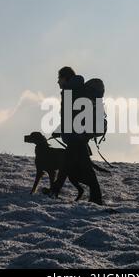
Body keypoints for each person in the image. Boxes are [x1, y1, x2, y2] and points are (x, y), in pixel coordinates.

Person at [49, 67, 103, 205]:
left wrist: (66, 130)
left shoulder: (71, 91)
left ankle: (96, 197)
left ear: (65, 78)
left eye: (59, 78)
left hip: (77, 137)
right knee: (68, 165)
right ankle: (54, 190)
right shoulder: (77, 90)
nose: (57, 81)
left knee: (81, 168)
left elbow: (70, 115)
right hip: (79, 135)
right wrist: (60, 130)